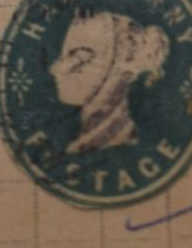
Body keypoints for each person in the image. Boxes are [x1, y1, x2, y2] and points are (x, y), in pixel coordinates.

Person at [50, 8, 171, 153]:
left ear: (125, 73)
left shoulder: (117, 138)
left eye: (79, 58)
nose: (55, 69)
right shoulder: (89, 137)